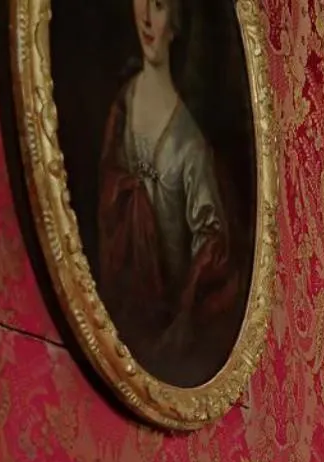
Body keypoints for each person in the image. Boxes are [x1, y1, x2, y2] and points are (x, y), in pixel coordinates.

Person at [97, 0, 243, 383]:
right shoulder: (123, 104)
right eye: (142, 1)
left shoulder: (189, 147)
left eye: (160, 6)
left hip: (161, 341)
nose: (146, 18)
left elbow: (212, 249)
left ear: (176, 22)